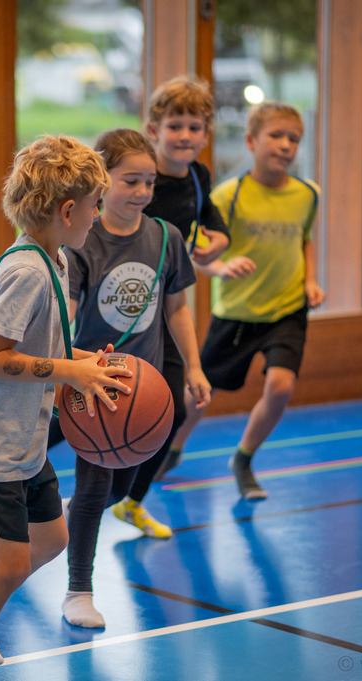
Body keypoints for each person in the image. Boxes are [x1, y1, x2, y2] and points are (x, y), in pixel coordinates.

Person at [0, 135, 132, 681]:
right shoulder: (26, 271)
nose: (97, 217)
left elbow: (46, 346)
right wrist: (71, 371)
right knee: (11, 565)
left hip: (23, 438)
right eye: (95, 207)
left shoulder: (57, 258)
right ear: (69, 211)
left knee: (53, 539)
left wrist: (90, 363)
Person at [51, 128, 211, 629]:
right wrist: (75, 368)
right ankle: (78, 591)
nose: (142, 191)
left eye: (149, 182)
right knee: (94, 486)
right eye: (130, 181)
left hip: (141, 384)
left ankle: (67, 511)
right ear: (102, 183)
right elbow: (66, 316)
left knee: (115, 489)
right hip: (91, 383)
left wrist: (194, 365)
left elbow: (178, 308)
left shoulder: (166, 237)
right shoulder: (83, 242)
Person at [109, 75, 230, 531]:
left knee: (174, 410)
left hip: (168, 311)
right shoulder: (143, 179)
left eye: (195, 127)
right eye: (175, 125)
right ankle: (20, 484)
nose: (185, 136)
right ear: (153, 129)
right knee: (70, 417)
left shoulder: (199, 178)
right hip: (122, 309)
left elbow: (214, 225)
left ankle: (131, 501)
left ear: (206, 133)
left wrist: (215, 244)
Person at [192, 101, 325, 501]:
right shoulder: (228, 195)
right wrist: (223, 265)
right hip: (236, 312)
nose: (285, 145)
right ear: (251, 141)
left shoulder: (307, 194)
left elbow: (304, 240)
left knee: (281, 386)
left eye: (294, 139)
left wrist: (311, 282)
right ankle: (171, 449)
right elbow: (201, 252)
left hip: (287, 309)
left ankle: (244, 459)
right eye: (276, 136)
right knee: (197, 395)